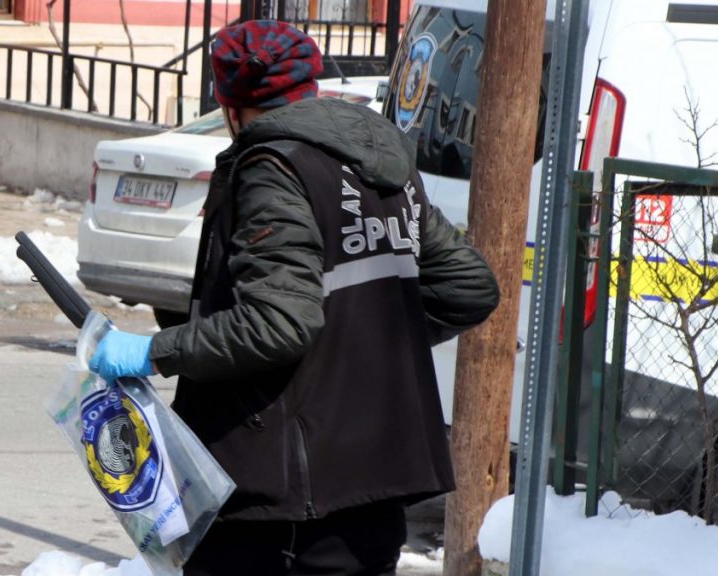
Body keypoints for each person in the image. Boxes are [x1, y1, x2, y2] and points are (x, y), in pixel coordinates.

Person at [89, 19, 500, 576]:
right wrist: (359, 340)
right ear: (311, 85)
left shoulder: (272, 169)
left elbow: (279, 323)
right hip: (376, 478)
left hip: (281, 505)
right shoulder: (380, 163)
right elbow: (468, 288)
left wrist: (153, 352)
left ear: (231, 107)